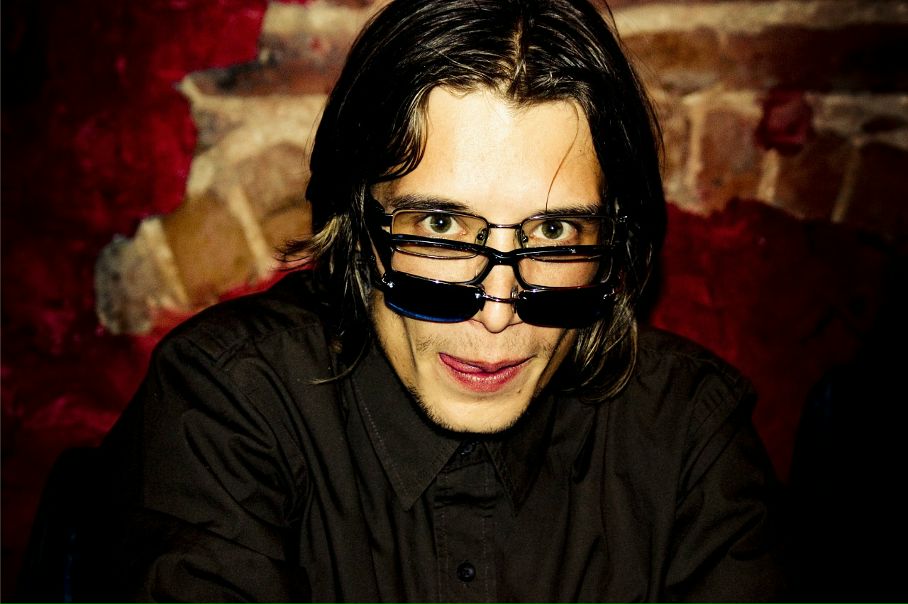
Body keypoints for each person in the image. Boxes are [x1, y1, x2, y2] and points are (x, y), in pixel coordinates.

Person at [53, 0, 786, 600]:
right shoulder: (227, 404)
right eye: (440, 227)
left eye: (554, 232)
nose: (496, 311)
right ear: (357, 224)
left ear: (614, 244)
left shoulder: (689, 439)